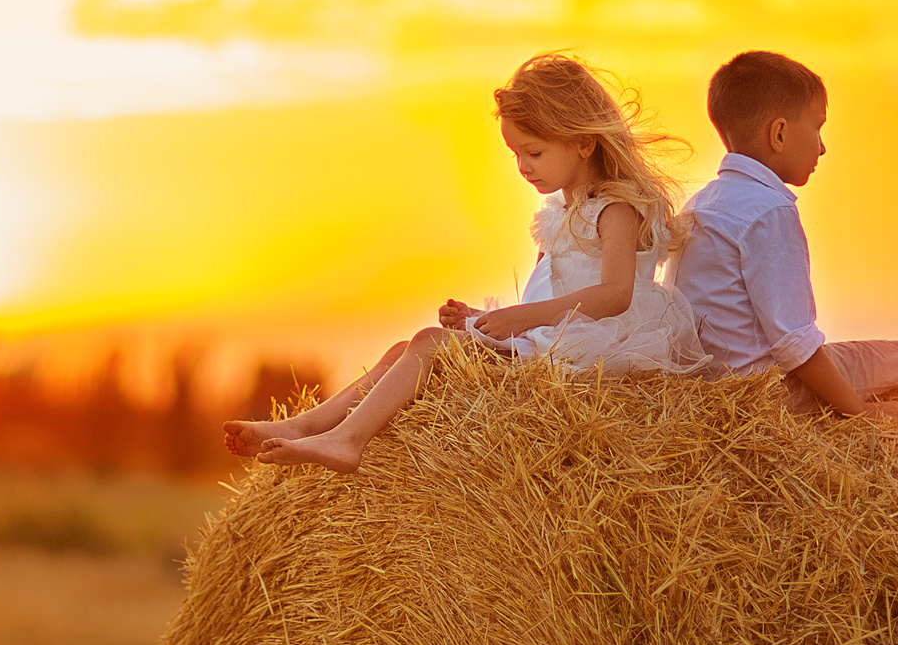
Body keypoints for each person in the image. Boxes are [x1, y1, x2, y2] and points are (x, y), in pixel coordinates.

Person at [226, 53, 707, 473]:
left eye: (534, 152)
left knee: (430, 344)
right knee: (403, 350)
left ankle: (348, 441)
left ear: (584, 141)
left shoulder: (615, 208)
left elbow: (614, 294)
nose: (522, 165)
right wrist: (483, 319)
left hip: (592, 355)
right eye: (515, 153)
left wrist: (518, 318)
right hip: (550, 341)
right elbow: (543, 296)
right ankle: (309, 423)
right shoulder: (559, 213)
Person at [671, 49, 898, 420]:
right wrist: (862, 412)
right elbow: (794, 342)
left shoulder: (700, 203)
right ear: (779, 133)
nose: (823, 146)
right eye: (817, 127)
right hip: (770, 396)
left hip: (711, 394)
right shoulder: (769, 210)